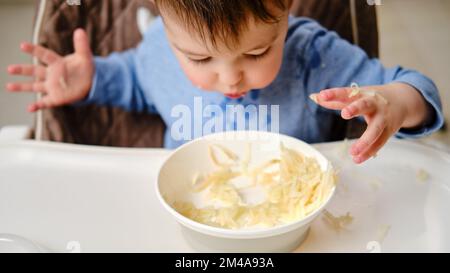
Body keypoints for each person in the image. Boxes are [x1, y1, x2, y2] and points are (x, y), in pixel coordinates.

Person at [5, 0, 444, 164]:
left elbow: (415, 87)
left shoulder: (314, 54)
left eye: (256, 53)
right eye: (199, 58)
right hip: (188, 211)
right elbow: (136, 81)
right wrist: (93, 79)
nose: (231, 76)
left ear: (286, 11)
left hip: (291, 216)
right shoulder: (158, 48)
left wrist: (394, 102)